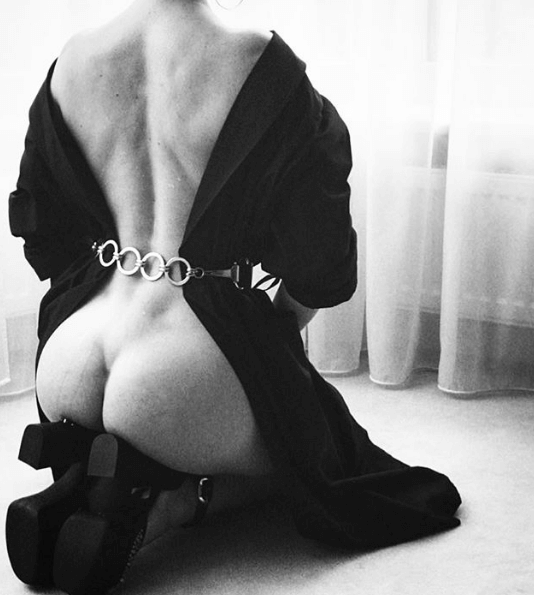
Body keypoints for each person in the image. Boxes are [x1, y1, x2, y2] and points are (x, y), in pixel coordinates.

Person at [6, 1, 461, 593]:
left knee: (275, 417)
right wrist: (270, 355)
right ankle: (169, 504)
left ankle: (93, 466)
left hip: (68, 361)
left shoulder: (71, 61)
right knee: (317, 452)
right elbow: (317, 266)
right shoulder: (259, 61)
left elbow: (45, 234)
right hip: (179, 374)